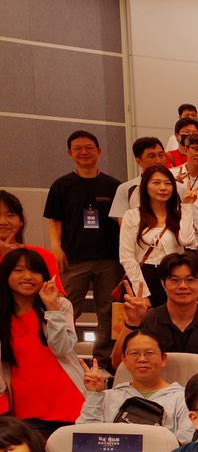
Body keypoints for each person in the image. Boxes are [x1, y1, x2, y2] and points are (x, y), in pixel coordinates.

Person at [45, 130, 122, 368]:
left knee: (108, 312)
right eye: (77, 148)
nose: (84, 152)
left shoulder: (114, 186)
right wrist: (56, 248)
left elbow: (123, 222)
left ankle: (104, 360)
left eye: (89, 147)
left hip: (109, 258)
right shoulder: (61, 185)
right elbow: (55, 222)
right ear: (70, 153)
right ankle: (62, 356)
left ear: (99, 151)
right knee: (66, 307)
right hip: (73, 259)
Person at [0, 247, 86, 433]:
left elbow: (62, 348)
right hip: (25, 411)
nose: (28, 276)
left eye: (35, 271)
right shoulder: (2, 315)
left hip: (72, 406)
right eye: (18, 270)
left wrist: (52, 307)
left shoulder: (61, 305)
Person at [77, 328, 193, 442]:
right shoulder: (107, 397)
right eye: (134, 353)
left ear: (163, 358)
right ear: (124, 360)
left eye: (149, 353)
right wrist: (94, 395)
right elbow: (85, 440)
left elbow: (187, 445)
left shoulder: (183, 399)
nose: (142, 359)